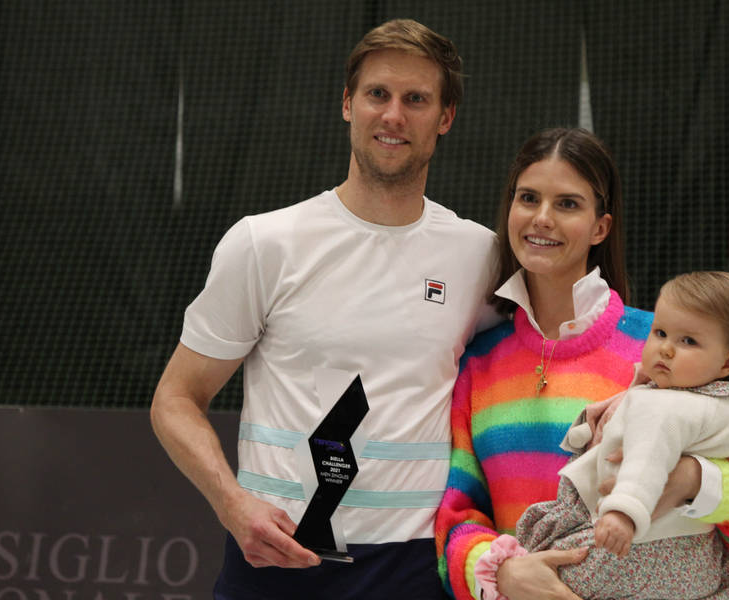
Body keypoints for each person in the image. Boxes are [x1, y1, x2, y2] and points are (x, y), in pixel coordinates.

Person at [150, 19, 500, 600]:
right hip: (275, 563)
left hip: (414, 567)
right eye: (377, 95)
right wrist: (233, 504)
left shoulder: (481, 256)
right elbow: (176, 399)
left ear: (445, 118)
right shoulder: (264, 243)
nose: (393, 115)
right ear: (347, 104)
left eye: (416, 99)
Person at [435, 128, 729, 600]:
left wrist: (692, 478)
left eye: (567, 204)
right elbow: (457, 518)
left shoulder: (666, 349)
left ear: (601, 227)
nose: (541, 218)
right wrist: (499, 573)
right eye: (528, 198)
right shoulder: (479, 362)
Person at [477, 271, 729, 600]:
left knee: (557, 565)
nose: (666, 349)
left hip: (627, 550)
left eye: (688, 341)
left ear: (728, 361)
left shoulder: (660, 403)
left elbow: (646, 463)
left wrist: (626, 513)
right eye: (660, 333)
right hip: (699, 568)